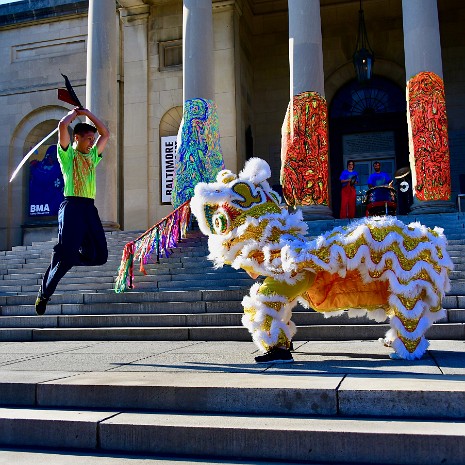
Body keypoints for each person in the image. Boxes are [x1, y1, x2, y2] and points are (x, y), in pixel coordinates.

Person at [35, 107, 110, 315]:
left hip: (89, 208)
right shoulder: (67, 156)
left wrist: (89, 113)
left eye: (92, 139)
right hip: (72, 207)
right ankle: (44, 294)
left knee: (100, 256)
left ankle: (65, 255)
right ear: (76, 138)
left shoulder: (93, 156)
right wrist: (74, 114)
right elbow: (62, 126)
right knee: (66, 257)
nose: (91, 143)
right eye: (87, 139)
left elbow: (106, 133)